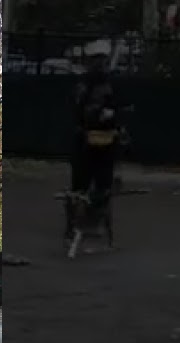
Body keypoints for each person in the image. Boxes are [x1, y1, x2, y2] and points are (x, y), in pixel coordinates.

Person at [67, 52, 123, 234]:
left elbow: (117, 109)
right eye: (97, 63)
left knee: (102, 185)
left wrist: (112, 117)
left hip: (105, 142)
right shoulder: (84, 86)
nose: (101, 67)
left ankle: (93, 220)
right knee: (80, 185)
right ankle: (74, 223)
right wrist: (99, 114)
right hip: (86, 141)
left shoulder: (109, 86)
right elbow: (80, 112)